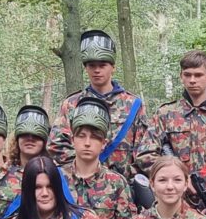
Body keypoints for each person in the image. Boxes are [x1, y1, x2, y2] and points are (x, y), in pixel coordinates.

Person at [138, 49, 206, 199]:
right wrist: (174, 178)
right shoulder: (165, 114)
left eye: (198, 75)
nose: (192, 80)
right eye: (187, 75)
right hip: (175, 196)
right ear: (181, 76)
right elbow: (145, 155)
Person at [48, 29, 152, 178]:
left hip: (122, 185)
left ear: (113, 67)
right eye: (92, 65)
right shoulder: (71, 104)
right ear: (86, 68)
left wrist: (122, 177)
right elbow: (56, 146)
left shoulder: (133, 105)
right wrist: (84, 169)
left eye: (102, 65)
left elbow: (145, 149)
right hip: (80, 183)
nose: (97, 70)